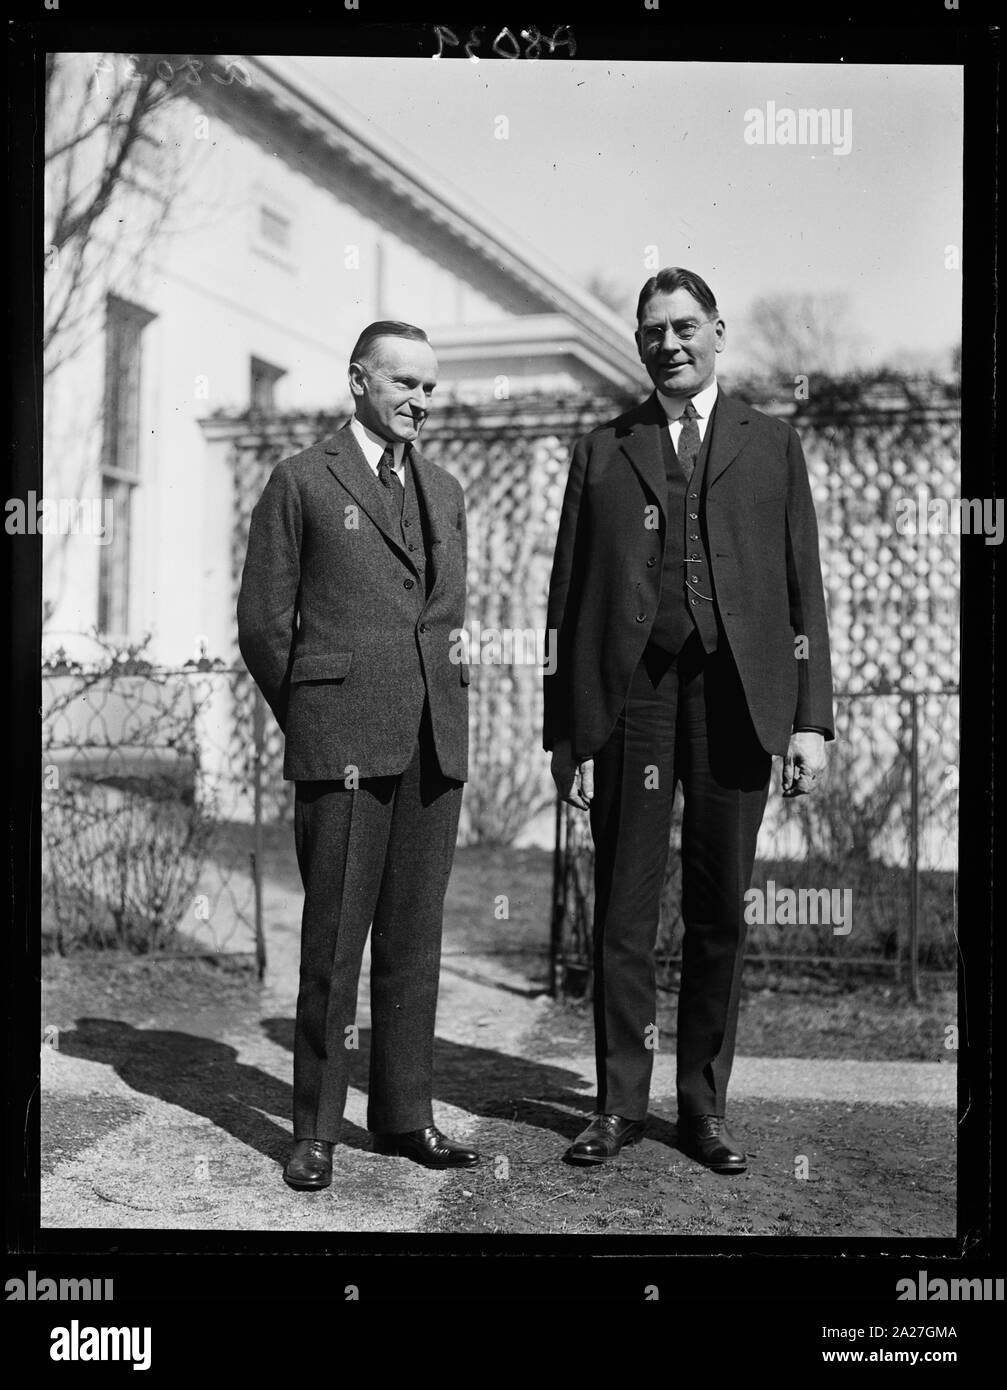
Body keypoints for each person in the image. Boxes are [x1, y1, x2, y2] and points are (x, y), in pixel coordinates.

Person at [544, 268, 835, 1172]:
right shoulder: (602, 449)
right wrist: (569, 735)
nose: (667, 343)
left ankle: (702, 1108)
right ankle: (618, 1105)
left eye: (683, 327)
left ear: (716, 332)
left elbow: (802, 591)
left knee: (716, 914)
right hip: (633, 700)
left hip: (737, 699)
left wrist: (810, 720)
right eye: (651, 332)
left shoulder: (770, 444)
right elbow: (565, 600)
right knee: (621, 917)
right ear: (638, 345)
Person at [238, 320, 479, 1190]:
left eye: (430, 387)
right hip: (341, 742)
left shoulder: (446, 489)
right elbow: (263, 625)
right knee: (334, 944)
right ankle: (313, 1130)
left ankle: (404, 1116)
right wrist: (316, 716)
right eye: (402, 383)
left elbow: (441, 618)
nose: (419, 400)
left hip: (431, 745)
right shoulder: (302, 479)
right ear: (357, 381)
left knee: (414, 944)